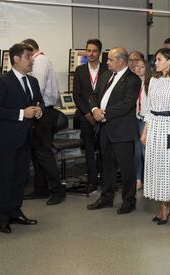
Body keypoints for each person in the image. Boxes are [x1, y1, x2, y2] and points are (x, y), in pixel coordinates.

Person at [0, 43, 44, 233]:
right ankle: (3, 217)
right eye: (29, 57)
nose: (32, 61)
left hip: (26, 138)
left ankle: (15, 211)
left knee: (21, 178)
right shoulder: (2, 81)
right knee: (7, 178)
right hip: (7, 138)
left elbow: (39, 104)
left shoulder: (33, 81)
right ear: (16, 59)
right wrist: (22, 113)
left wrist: (38, 111)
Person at [87, 47, 141, 214]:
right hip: (104, 129)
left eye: (110, 59)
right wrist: (95, 109)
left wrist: (104, 114)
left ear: (120, 61)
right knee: (107, 166)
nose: (107, 62)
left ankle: (129, 201)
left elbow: (127, 104)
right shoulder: (105, 75)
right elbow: (94, 95)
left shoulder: (133, 80)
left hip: (122, 129)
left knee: (126, 168)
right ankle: (106, 198)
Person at [141, 48, 170, 224]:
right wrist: (145, 132)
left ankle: (166, 207)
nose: (156, 63)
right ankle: (163, 206)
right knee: (156, 167)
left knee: (168, 168)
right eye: (155, 60)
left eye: (159, 59)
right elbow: (149, 108)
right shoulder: (153, 79)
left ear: (169, 61)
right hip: (154, 128)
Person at [21, 38, 65, 205]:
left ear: (30, 50)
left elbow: (36, 88)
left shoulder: (39, 61)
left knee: (43, 154)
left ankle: (57, 191)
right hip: (42, 111)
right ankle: (41, 189)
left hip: (43, 112)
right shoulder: (42, 60)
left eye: (25, 53)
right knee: (37, 153)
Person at [72, 39, 108, 192]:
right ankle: (92, 181)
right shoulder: (80, 70)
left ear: (99, 52)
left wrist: (98, 113)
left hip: (103, 115)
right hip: (86, 116)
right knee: (89, 150)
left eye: (94, 51)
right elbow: (77, 95)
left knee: (104, 150)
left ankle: (105, 180)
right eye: (88, 50)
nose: (91, 54)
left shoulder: (107, 69)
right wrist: (88, 113)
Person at [134, 59, 151, 190]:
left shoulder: (150, 84)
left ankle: (150, 180)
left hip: (146, 120)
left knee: (146, 152)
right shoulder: (133, 83)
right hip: (135, 119)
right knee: (136, 152)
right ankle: (138, 179)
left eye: (142, 67)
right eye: (136, 67)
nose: (138, 69)